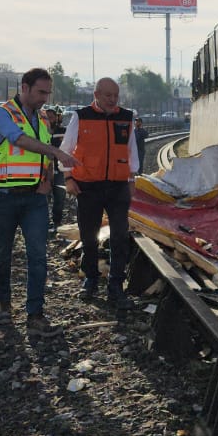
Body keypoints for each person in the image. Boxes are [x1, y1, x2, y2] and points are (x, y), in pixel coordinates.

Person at [0, 68, 79, 334]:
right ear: (24, 87)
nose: (45, 98)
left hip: (35, 198)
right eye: (41, 92)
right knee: (2, 252)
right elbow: (19, 140)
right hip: (3, 196)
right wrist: (56, 152)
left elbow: (44, 155)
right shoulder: (1, 114)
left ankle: (35, 315)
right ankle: (3, 304)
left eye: (48, 93)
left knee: (38, 255)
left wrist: (48, 179)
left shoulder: (41, 119)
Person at [60, 78, 138, 310]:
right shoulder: (81, 116)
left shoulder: (126, 117)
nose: (113, 100)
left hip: (117, 186)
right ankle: (91, 279)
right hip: (88, 186)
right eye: (108, 95)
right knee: (89, 236)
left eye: (116, 95)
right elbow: (66, 149)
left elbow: (131, 149)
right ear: (96, 94)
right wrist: (68, 177)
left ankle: (116, 285)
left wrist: (132, 177)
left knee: (119, 237)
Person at [40, 106, 67, 232]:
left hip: (59, 170)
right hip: (44, 170)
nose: (50, 119)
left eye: (52, 116)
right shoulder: (40, 131)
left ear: (57, 117)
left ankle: (56, 223)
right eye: (47, 116)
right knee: (43, 198)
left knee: (59, 197)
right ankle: (43, 223)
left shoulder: (64, 131)